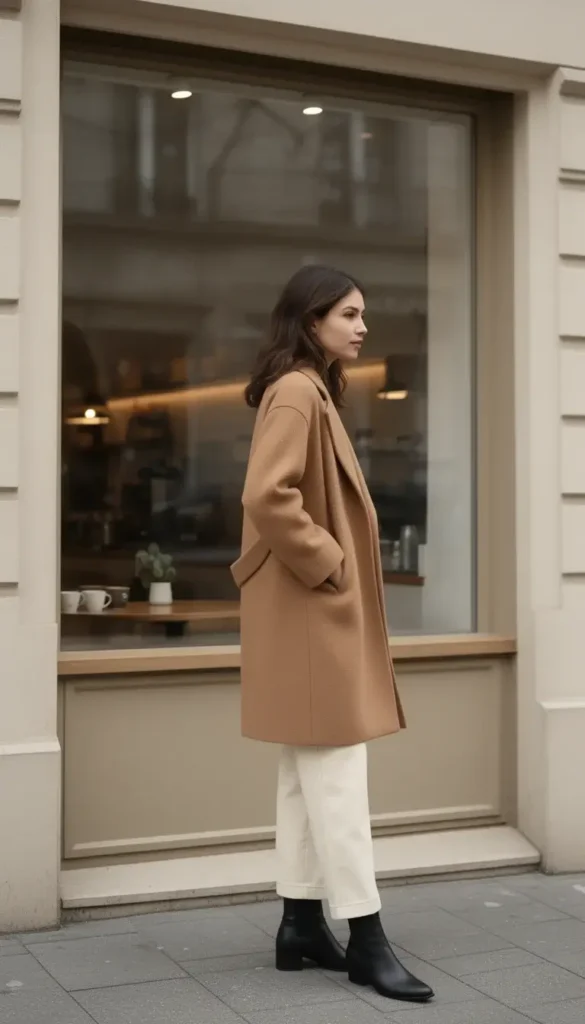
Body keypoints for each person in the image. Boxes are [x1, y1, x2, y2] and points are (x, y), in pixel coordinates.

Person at [230, 265, 433, 1004]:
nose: (361, 325)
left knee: (303, 776)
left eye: (362, 312)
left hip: (307, 616)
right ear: (310, 320)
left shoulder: (308, 389)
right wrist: (328, 561)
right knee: (339, 779)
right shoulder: (295, 391)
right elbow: (266, 492)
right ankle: (366, 938)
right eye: (348, 313)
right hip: (313, 614)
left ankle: (299, 923)